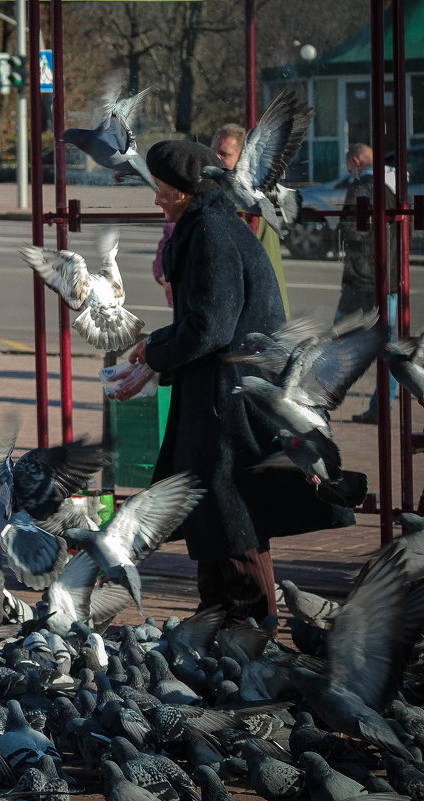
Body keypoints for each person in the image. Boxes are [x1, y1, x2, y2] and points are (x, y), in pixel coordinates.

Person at [117, 140, 353, 625]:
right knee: (207, 502)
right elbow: (209, 321)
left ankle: (250, 621)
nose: (156, 198)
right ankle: (216, 616)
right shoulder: (211, 225)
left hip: (230, 396)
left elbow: (211, 327)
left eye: (161, 189)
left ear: (184, 192)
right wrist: (156, 350)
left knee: (230, 510)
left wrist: (158, 352)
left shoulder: (210, 234)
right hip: (221, 389)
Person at [337, 142, 400, 424]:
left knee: (336, 342)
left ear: (355, 161)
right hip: (389, 278)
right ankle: (380, 408)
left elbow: (354, 231)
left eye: (348, 165)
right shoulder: (390, 186)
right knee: (389, 347)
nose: (348, 170)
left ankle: (317, 402)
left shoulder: (363, 186)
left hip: (365, 282)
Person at [211, 123, 290, 318]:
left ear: (241, 160)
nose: (216, 158)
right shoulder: (218, 191)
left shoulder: (244, 198)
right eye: (213, 152)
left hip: (256, 302)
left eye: (224, 154)